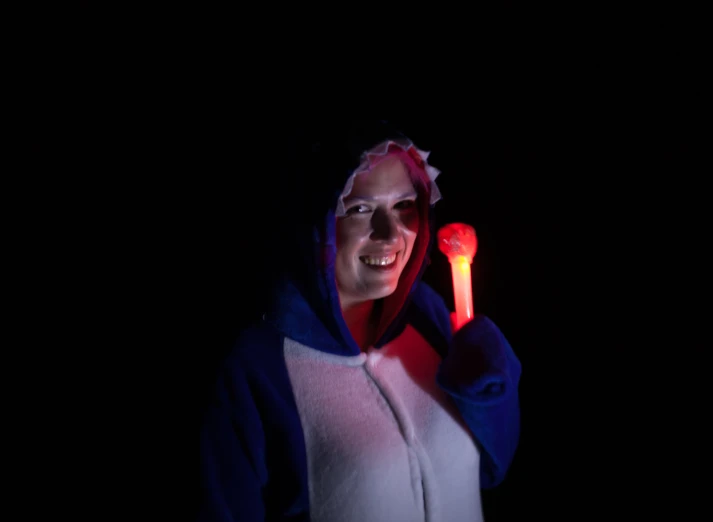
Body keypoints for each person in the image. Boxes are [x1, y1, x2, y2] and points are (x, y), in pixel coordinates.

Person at [197, 120, 522, 521]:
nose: (390, 234)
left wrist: (489, 395)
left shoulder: (430, 316)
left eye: (404, 206)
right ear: (317, 222)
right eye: (360, 209)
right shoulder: (256, 371)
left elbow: (489, 472)